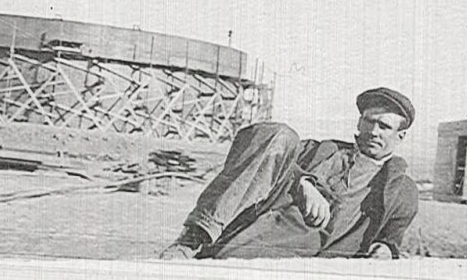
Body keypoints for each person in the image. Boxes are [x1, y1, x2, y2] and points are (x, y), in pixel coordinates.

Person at [159, 87, 418, 259]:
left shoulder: (401, 189)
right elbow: (258, 150)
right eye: (369, 121)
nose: (373, 131)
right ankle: (193, 238)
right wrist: (302, 182)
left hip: (302, 260)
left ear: (401, 135)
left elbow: (391, 239)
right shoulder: (321, 151)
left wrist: (386, 249)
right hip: (253, 234)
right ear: (359, 122)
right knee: (280, 134)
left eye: (384, 126)